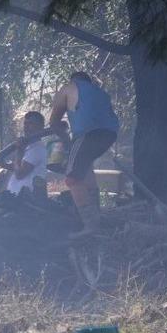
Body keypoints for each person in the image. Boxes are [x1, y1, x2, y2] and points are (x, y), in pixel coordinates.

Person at [49, 71, 119, 236]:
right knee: (86, 171)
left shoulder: (68, 88)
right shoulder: (100, 92)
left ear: (73, 81)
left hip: (87, 134)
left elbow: (54, 122)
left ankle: (91, 226)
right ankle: (97, 217)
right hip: (109, 135)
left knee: (72, 179)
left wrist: (64, 139)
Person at [2, 111, 48, 197]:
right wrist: (4, 165)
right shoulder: (29, 146)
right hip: (17, 199)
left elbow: (19, 174)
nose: (26, 127)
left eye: (31, 124)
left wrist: (19, 151)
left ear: (40, 127)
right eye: (25, 124)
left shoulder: (37, 149)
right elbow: (19, 166)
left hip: (26, 202)